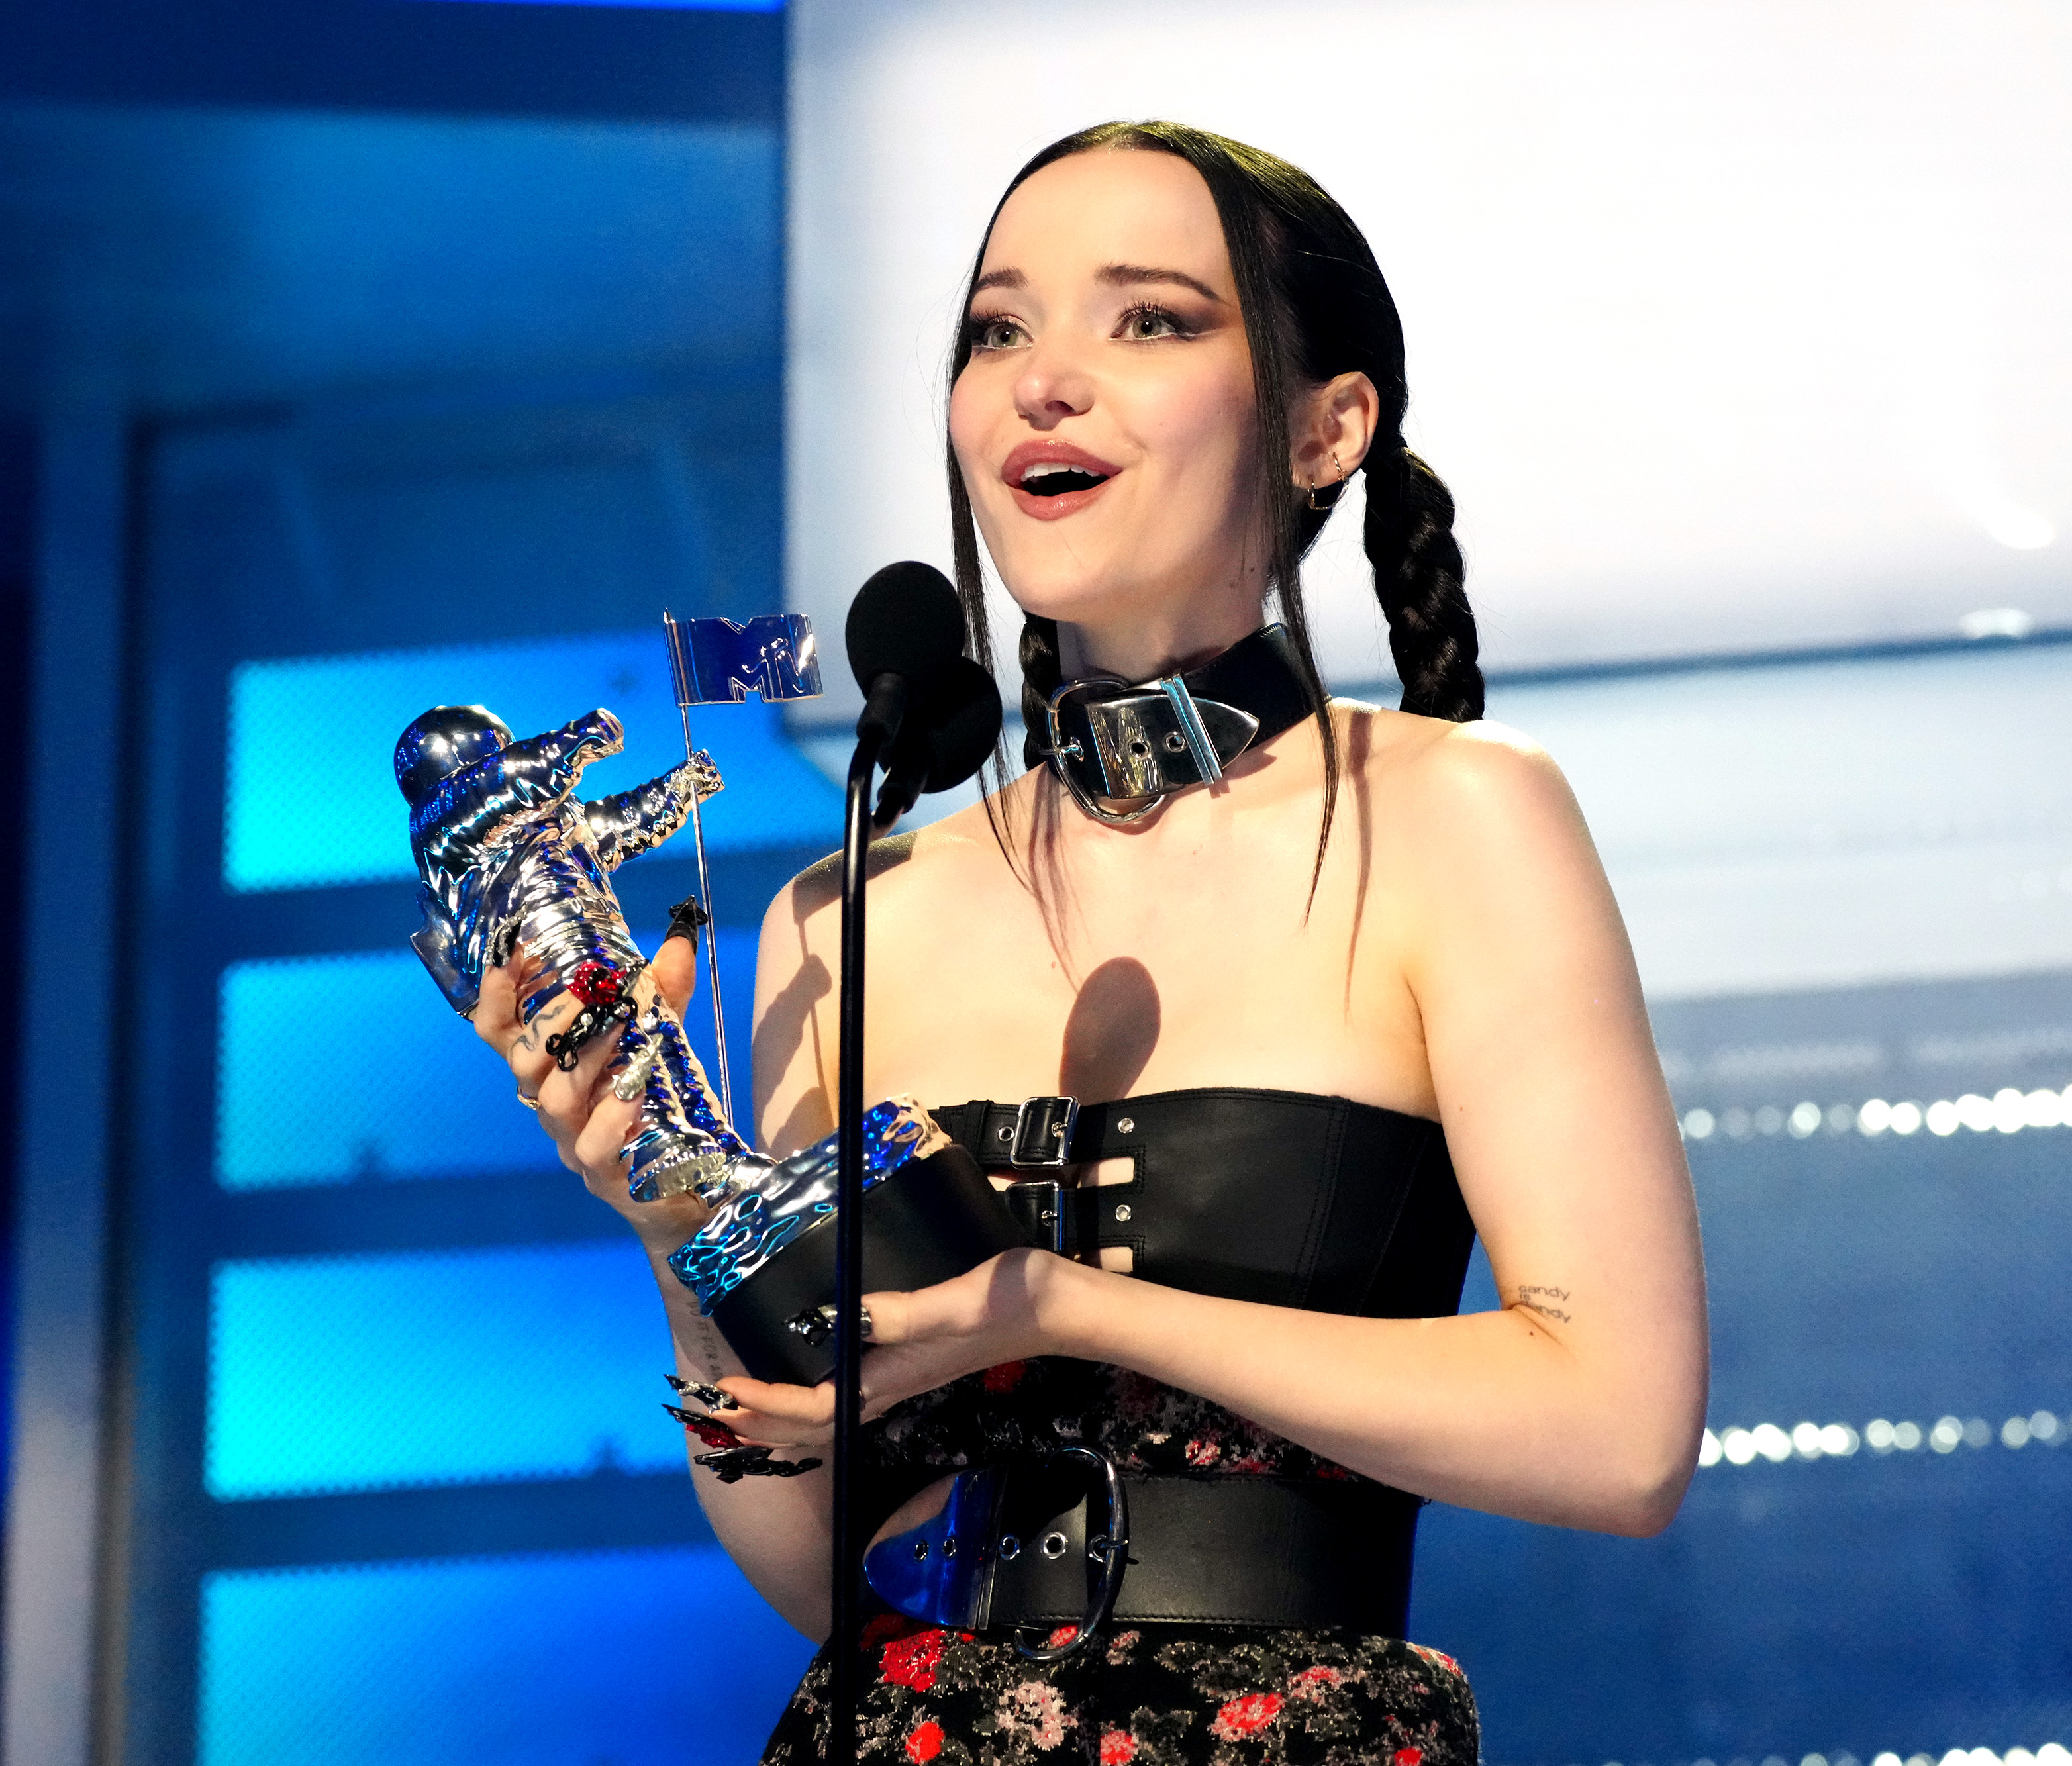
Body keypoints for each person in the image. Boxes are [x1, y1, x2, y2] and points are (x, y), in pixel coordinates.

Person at [472, 120, 1707, 1763]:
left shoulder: (1452, 815)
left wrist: (1062, 1304)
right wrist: (672, 1235)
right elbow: (813, 1562)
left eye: (1148, 320)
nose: (1042, 381)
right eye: (999, 327)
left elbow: (1616, 1430)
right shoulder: (841, 910)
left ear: (1328, 425)